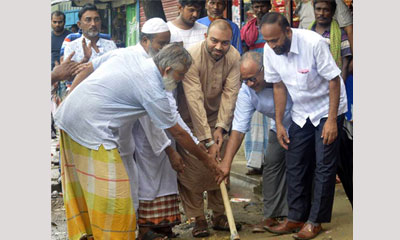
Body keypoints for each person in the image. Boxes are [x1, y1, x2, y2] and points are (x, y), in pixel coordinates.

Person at [54, 43, 223, 240]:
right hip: (90, 129)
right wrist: (208, 161)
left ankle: (90, 234)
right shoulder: (152, 88)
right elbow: (178, 133)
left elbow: (90, 67)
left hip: (71, 120)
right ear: (167, 69)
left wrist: (69, 97)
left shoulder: (129, 56)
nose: (181, 80)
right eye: (180, 75)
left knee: (92, 189)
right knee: (116, 197)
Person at [260, 12, 347, 240]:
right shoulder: (270, 51)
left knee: (324, 164)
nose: (272, 45)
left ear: (288, 31)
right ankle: (296, 217)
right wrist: (279, 123)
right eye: (267, 41)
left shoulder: (314, 43)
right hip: (301, 112)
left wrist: (331, 120)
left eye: (276, 40)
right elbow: (278, 86)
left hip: (328, 108)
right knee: (295, 161)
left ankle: (314, 220)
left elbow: (334, 80)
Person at [176, 19, 241, 238]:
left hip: (217, 119)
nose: (219, 47)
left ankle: (220, 215)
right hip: (189, 119)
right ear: (206, 37)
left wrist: (221, 128)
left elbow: (230, 94)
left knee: (220, 165)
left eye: (225, 43)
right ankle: (198, 218)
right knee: (192, 169)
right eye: (214, 41)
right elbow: (193, 98)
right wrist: (206, 139)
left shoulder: (234, 57)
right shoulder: (191, 56)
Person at [219, 51, 291, 232]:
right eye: (245, 80)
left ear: (263, 70)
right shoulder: (247, 92)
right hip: (279, 127)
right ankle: (271, 216)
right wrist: (226, 164)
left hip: (302, 123)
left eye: (253, 78)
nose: (250, 84)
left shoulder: (281, 76)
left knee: (299, 167)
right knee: (272, 166)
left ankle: (300, 216)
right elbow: (238, 129)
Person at [240, 0, 272, 175]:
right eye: (257, 6)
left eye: (263, 6)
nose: (260, 10)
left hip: (271, 81)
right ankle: (255, 162)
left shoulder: (275, 24)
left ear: (269, 7)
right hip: (253, 82)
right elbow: (245, 54)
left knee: (271, 124)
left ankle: (269, 162)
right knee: (254, 123)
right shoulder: (247, 28)